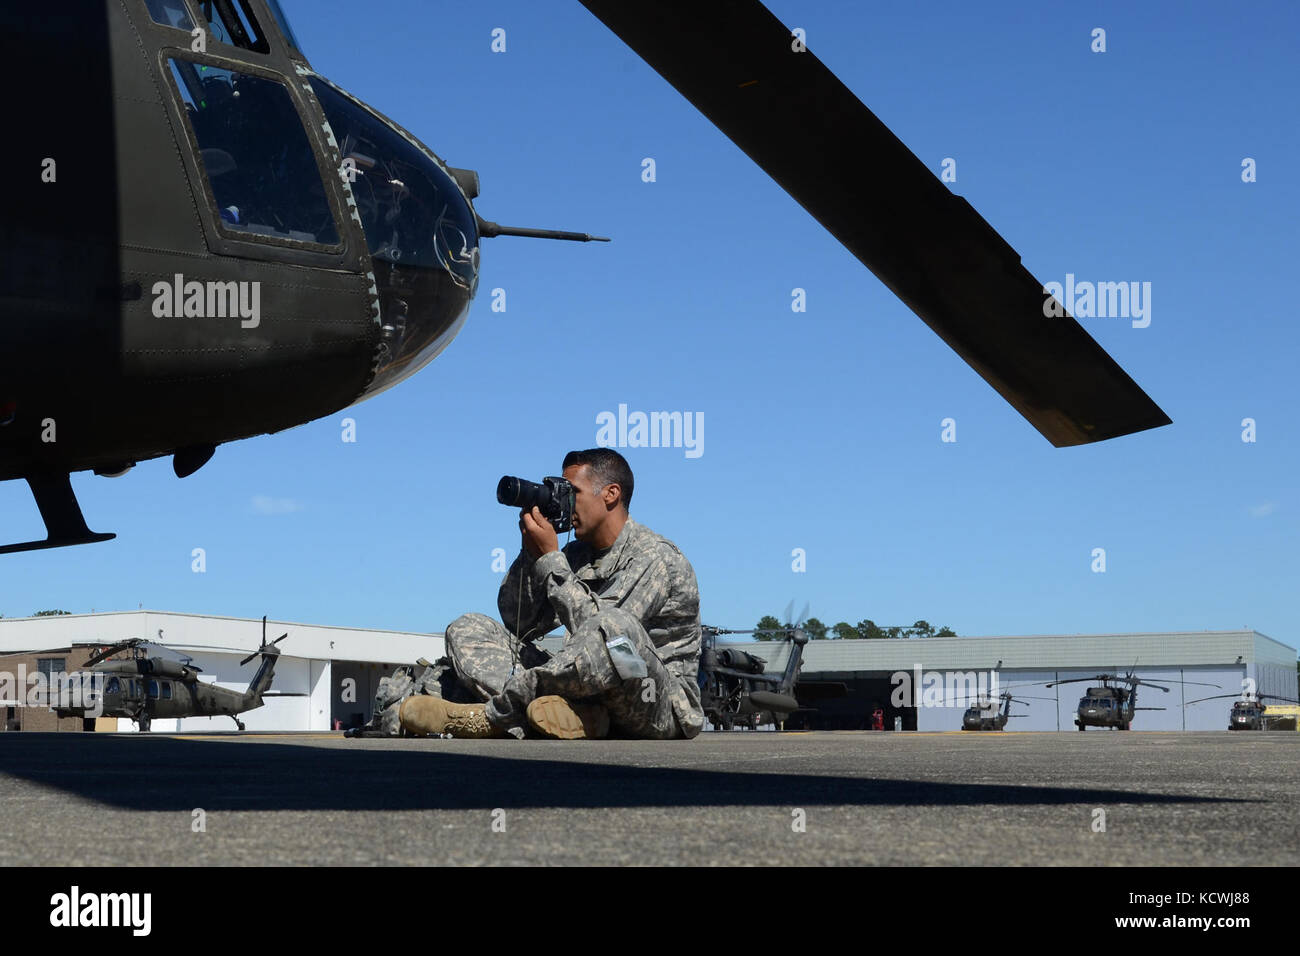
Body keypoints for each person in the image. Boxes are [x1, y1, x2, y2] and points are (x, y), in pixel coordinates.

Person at [402, 448, 703, 740]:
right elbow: (519, 622)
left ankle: (495, 716)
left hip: (654, 701)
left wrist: (551, 560)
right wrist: (531, 553)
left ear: (611, 494)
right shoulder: (574, 554)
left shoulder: (654, 556)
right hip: (584, 687)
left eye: (574, 494)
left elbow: (604, 634)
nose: (565, 505)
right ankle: (574, 716)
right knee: (468, 628)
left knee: (615, 626)